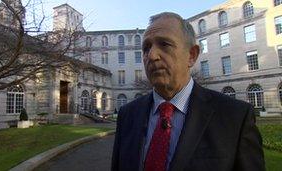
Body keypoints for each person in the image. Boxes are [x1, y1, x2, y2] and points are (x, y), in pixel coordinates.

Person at [111, 12, 265, 171]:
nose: (151, 55)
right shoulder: (128, 115)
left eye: (164, 44)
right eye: (146, 48)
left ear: (191, 55)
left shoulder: (235, 116)